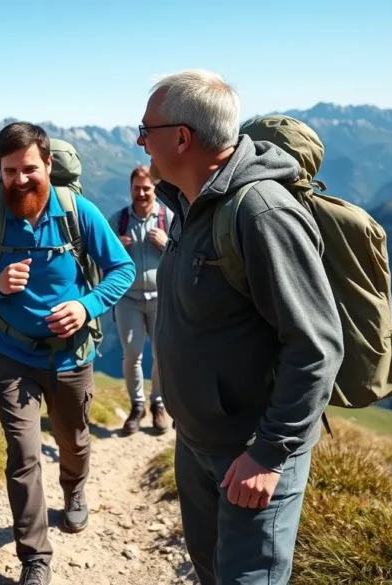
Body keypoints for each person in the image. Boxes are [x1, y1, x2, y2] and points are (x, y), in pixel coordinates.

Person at [137, 70, 343, 584]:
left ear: (181, 137)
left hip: (250, 453)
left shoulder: (261, 214)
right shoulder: (187, 201)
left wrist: (269, 455)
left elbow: (316, 346)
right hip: (198, 443)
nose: (140, 142)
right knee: (211, 573)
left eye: (146, 130)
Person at [0, 122, 135, 585]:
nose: (20, 179)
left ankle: (74, 490)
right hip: (12, 355)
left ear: (48, 165)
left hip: (72, 356)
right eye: (9, 171)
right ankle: (35, 558)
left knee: (73, 440)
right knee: (23, 454)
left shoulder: (78, 212)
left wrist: (85, 305)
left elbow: (122, 268)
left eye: (29, 168)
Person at [105, 165, 173, 436]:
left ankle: (158, 403)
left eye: (147, 188)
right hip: (128, 300)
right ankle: (137, 406)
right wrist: (117, 248)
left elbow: (186, 254)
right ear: (130, 189)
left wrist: (166, 244)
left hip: (161, 298)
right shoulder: (118, 221)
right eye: (137, 188)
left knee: (161, 354)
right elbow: (102, 258)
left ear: (155, 189)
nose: (142, 193)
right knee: (131, 354)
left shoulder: (168, 217)